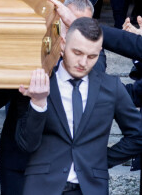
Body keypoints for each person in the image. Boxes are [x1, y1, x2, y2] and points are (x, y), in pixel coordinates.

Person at [0, 0, 106, 195]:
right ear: (55, 20)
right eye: (70, 25)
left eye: (83, 27)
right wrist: (22, 65)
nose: (76, 33)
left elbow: (100, 79)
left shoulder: (90, 59)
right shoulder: (29, 46)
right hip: (19, 161)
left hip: (62, 168)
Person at [15, 17, 142, 195]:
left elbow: (138, 135)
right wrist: (38, 103)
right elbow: (26, 145)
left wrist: (101, 159)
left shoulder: (111, 87)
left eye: (92, 56)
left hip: (91, 188)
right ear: (63, 44)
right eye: (77, 53)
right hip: (42, 186)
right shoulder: (39, 82)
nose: (83, 62)